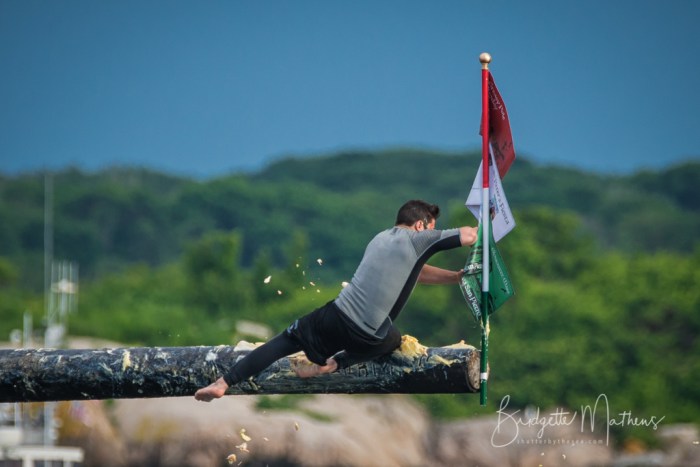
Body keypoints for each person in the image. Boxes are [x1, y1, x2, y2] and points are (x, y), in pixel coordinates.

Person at [194, 199, 477, 402]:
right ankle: (334, 365)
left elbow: (418, 272)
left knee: (285, 341)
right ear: (420, 225)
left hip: (336, 316)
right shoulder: (418, 240)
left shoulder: (380, 239)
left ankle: (223, 383)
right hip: (367, 337)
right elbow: (469, 235)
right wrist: (489, 218)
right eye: (431, 228)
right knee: (392, 338)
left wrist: (455, 277)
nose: (431, 233)